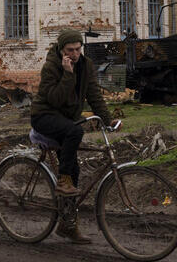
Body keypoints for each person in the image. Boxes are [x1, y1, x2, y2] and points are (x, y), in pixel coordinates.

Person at [31, 28, 113, 243]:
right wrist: (67, 74)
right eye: (70, 50)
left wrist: (107, 118)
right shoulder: (51, 66)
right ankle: (63, 180)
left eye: (78, 49)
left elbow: (94, 94)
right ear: (61, 50)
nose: (75, 54)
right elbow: (56, 100)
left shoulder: (86, 66)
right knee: (75, 131)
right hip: (44, 116)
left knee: (74, 171)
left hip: (65, 121)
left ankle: (68, 225)